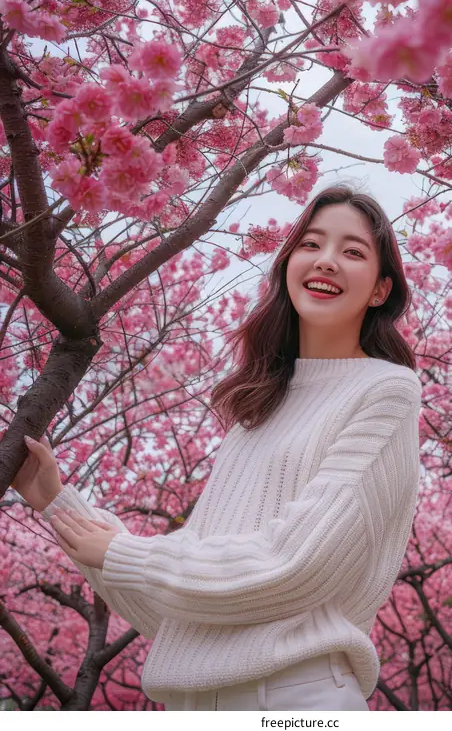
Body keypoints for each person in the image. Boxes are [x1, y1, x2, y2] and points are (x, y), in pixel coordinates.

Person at [13, 183, 422, 712]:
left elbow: (295, 566)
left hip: (295, 702)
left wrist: (123, 553)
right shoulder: (259, 408)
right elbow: (181, 610)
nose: (327, 262)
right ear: (287, 264)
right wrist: (56, 501)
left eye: (353, 252)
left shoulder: (384, 391)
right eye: (311, 244)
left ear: (379, 290)